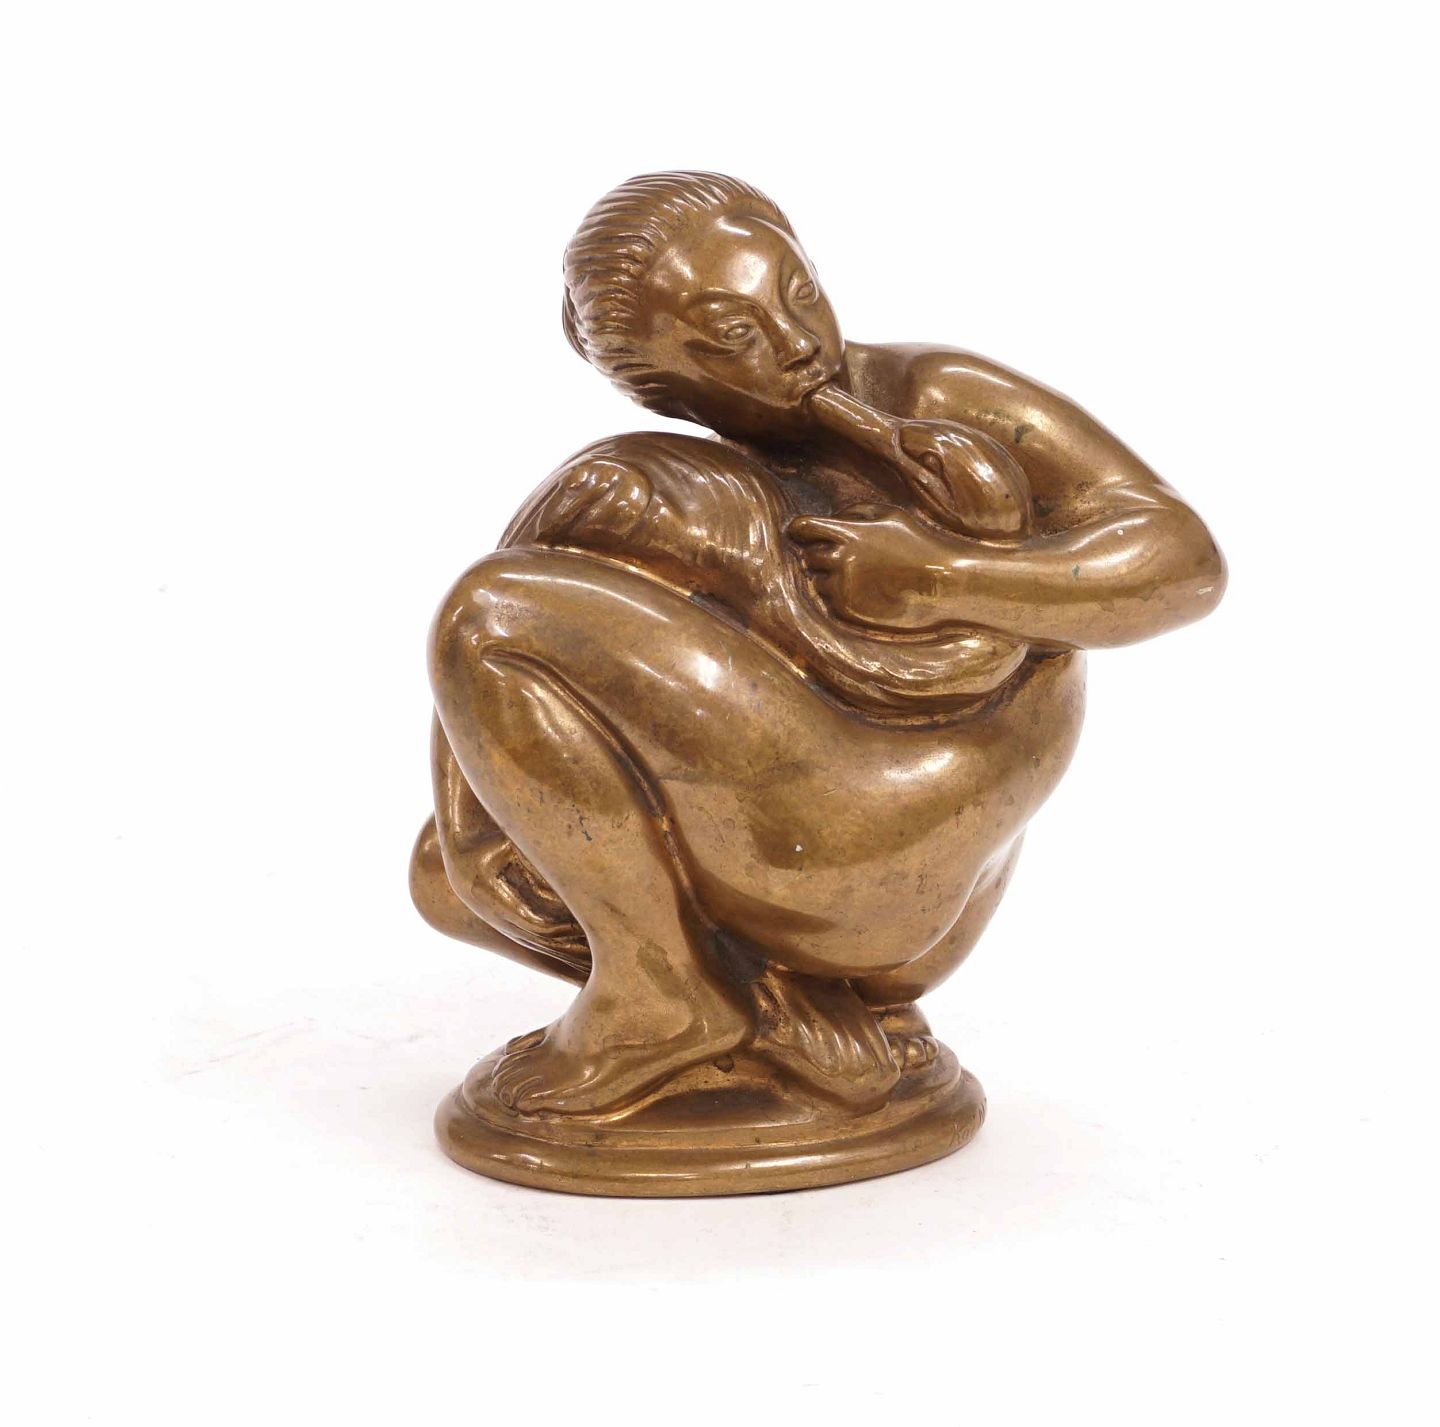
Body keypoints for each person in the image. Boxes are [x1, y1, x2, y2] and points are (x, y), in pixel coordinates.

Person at [410, 172, 1225, 1116]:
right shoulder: (691, 479)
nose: (798, 342)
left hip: (895, 824)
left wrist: (942, 576)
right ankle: (775, 1008)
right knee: (453, 876)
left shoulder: (934, 394)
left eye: (797, 292)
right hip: (824, 877)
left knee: (489, 615)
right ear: (663, 383)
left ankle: (662, 998)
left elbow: (1185, 562)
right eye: (734, 335)